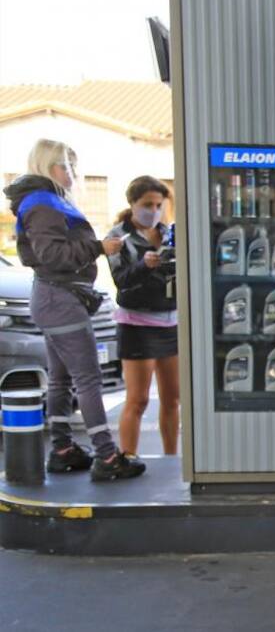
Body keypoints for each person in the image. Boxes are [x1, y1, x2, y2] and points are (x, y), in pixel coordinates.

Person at [3, 139, 146, 481]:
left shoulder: (43, 201)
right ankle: (107, 457)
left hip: (54, 298)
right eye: (67, 166)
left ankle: (63, 450)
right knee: (87, 377)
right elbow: (52, 255)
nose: (73, 173)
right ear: (48, 167)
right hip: (60, 299)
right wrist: (99, 247)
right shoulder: (44, 204)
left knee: (62, 378)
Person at [106, 176, 179, 456]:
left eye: (159, 204)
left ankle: (172, 458)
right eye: (147, 204)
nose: (154, 210)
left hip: (171, 322)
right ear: (132, 203)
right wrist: (144, 266)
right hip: (136, 324)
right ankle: (128, 458)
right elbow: (121, 280)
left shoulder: (168, 232)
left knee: (172, 400)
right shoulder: (118, 237)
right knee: (137, 400)